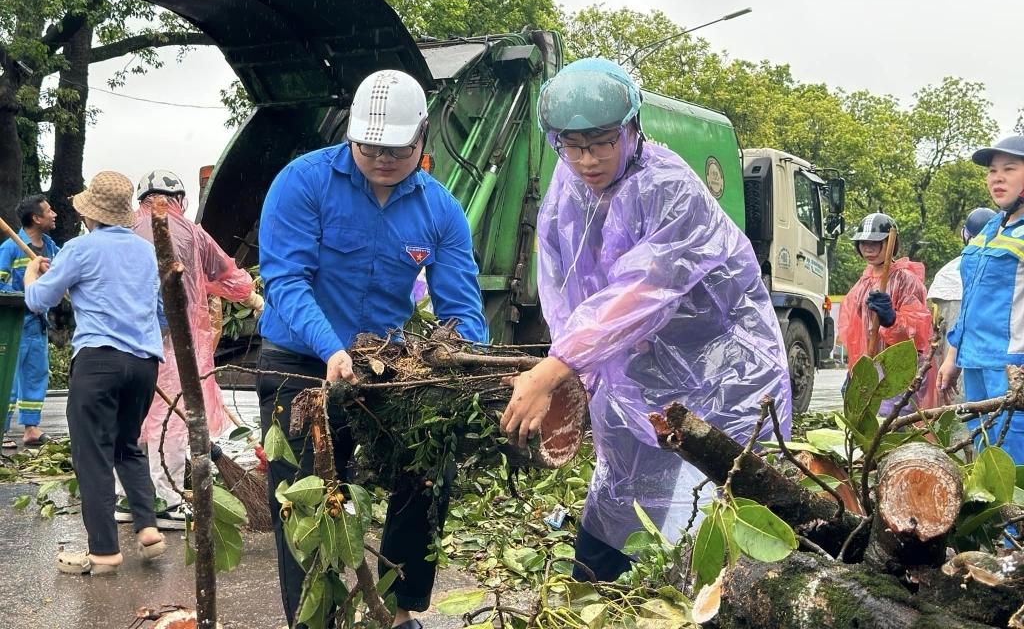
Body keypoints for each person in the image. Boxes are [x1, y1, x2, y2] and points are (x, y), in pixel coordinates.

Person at [498, 58, 792, 583]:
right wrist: (579, 370)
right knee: (619, 491)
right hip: (633, 368)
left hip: (721, 371)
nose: (587, 158)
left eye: (601, 142)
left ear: (632, 128)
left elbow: (646, 289)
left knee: (718, 514)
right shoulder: (567, 188)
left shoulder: (668, 185)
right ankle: (598, 599)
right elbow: (563, 287)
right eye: (572, 144)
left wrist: (556, 365)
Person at [257, 69, 488, 629]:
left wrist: (470, 369)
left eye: (398, 149)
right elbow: (286, 280)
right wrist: (332, 349)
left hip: (388, 368)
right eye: (370, 147)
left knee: (429, 469)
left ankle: (401, 612)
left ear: (423, 136)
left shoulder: (440, 210)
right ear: (353, 135)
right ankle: (315, 620)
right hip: (301, 362)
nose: (383, 159)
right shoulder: (302, 182)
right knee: (306, 503)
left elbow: (462, 307)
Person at [21, 172, 167, 574]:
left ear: (91, 214)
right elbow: (160, 316)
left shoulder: (80, 248)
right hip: (144, 364)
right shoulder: (145, 252)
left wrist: (35, 272)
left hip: (97, 361)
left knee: (93, 456)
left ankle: (104, 552)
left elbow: (39, 300)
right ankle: (148, 527)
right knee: (127, 445)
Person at [115, 170, 262, 529]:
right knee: (174, 420)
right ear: (179, 199)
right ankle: (165, 501)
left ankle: (126, 498)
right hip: (175, 340)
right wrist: (253, 296)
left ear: (142, 198)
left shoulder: (124, 231)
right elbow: (225, 271)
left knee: (130, 414)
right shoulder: (192, 233)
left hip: (127, 340)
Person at [939, 136, 1024, 463]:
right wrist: (952, 357)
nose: (997, 177)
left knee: (1013, 461)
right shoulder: (990, 227)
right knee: (986, 457)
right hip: (974, 361)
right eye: (992, 170)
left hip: (1012, 365)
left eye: (1009, 168)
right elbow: (970, 300)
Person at [836, 213, 932, 414]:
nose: (868, 248)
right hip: (869, 365)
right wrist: (855, 369)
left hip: (896, 368)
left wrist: (892, 319)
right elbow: (854, 331)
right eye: (863, 243)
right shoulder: (864, 280)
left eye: (875, 242)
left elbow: (919, 330)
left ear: (891, 243)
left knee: (891, 425)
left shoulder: (906, 279)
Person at [0, 194, 60, 449]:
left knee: (36, 374)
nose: (54, 214)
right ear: (36, 218)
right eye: (49, 211)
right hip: (15, 325)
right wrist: (25, 298)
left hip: (38, 323)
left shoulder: (50, 247)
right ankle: (2, 429)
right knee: (8, 377)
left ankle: (31, 428)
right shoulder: (11, 248)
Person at [926, 208, 998, 406]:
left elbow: (934, 330)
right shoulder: (1002, 266)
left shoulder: (945, 273)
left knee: (959, 417)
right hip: (991, 359)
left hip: (951, 361)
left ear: (965, 235)